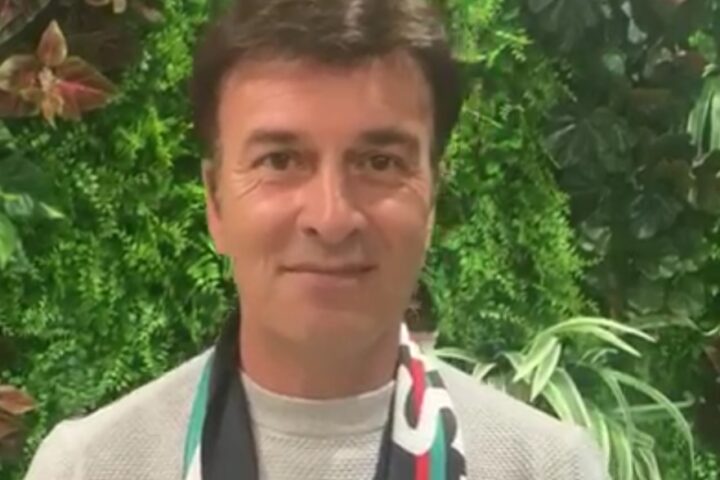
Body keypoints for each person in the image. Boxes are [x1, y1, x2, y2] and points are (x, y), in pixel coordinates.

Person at [24, 0, 607, 478]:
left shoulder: (546, 468)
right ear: (215, 203)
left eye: (379, 162)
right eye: (280, 160)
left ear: (432, 199)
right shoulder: (90, 468)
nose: (332, 218)